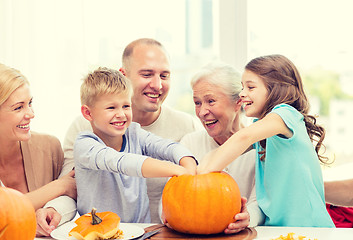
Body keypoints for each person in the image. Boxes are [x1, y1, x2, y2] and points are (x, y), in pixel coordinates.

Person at [59, 38, 201, 224]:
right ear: (88, 113)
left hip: (145, 232)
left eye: (126, 106)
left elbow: (166, 146)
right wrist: (177, 170)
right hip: (101, 234)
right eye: (111, 108)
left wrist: (187, 163)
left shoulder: (135, 132)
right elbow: (124, 162)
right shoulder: (85, 142)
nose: (121, 114)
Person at [197, 54, 335, 227]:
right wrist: (198, 168)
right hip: (280, 230)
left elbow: (242, 137)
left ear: (275, 88)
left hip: (310, 228)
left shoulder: (285, 114)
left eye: (250, 87)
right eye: (242, 87)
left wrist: (202, 176)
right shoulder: (263, 131)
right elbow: (229, 148)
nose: (242, 93)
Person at [178, 62, 264, 233]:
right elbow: (173, 198)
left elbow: (260, 203)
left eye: (210, 101)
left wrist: (249, 217)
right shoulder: (189, 143)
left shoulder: (260, 147)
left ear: (238, 102)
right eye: (197, 103)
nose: (202, 112)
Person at [0, 63, 77, 236]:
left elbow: (71, 198)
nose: (31, 114)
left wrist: (53, 212)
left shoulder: (49, 148)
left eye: (30, 103)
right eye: (18, 107)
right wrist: (60, 185)